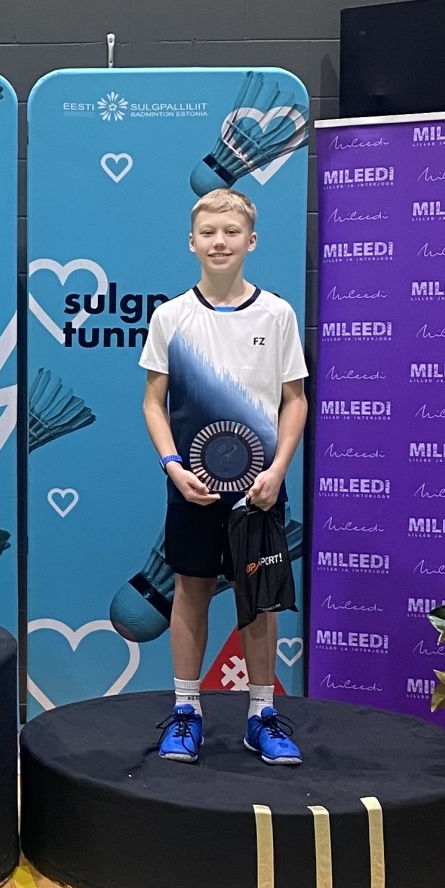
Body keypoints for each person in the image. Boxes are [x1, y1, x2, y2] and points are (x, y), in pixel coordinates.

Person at [139, 188, 308, 764]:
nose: (219, 242)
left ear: (251, 241)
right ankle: (186, 711)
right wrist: (173, 466)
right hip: (192, 489)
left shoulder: (277, 314)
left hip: (261, 491)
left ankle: (262, 715)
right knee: (191, 591)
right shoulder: (171, 317)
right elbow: (153, 402)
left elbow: (294, 400)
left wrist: (278, 469)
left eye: (231, 232)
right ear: (191, 242)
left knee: (259, 600)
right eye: (208, 232)